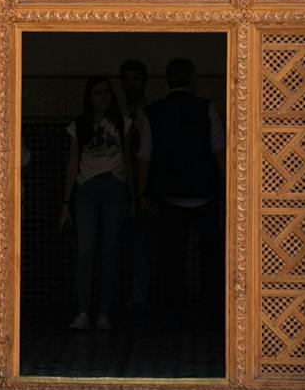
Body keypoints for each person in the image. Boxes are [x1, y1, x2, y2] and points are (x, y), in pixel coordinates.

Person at [147, 57, 226, 333]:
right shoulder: (206, 108)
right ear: (192, 79)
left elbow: (145, 156)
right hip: (204, 193)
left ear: (167, 80)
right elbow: (219, 151)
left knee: (172, 258)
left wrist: (143, 192)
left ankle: (173, 316)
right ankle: (211, 313)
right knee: (210, 257)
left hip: (168, 195)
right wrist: (226, 188)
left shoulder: (153, 112)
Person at [58, 77, 132, 333]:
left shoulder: (123, 123)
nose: (103, 98)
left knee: (110, 251)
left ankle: (104, 312)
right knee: (86, 251)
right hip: (87, 188)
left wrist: (132, 196)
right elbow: (72, 164)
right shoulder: (79, 126)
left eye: (107, 93)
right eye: (98, 93)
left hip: (115, 186)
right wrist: (66, 203)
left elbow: (130, 160)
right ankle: (83, 311)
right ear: (90, 97)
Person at [116, 56, 155, 312]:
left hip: (144, 186)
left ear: (144, 82)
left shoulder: (149, 113)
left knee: (142, 244)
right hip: (122, 185)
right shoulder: (119, 114)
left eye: (136, 79)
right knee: (123, 244)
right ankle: (126, 295)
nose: (131, 84)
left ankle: (141, 296)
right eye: (127, 79)